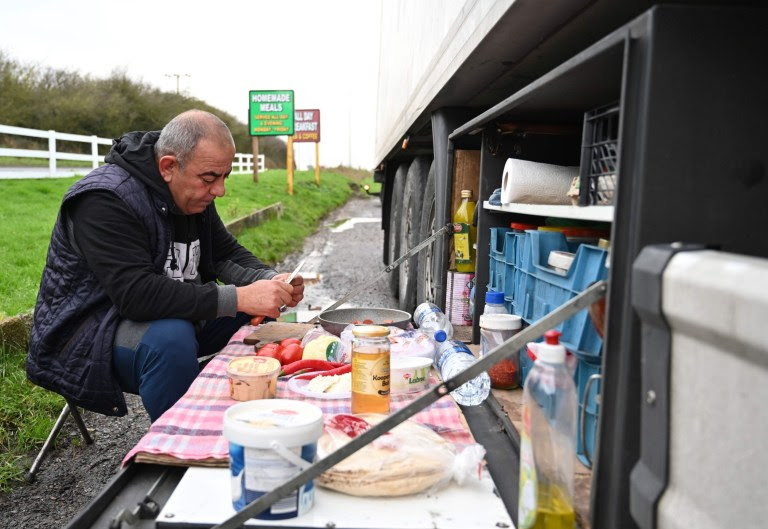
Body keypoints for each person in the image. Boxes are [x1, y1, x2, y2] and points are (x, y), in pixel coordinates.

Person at [26, 109, 304, 422]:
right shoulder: (104, 199)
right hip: (90, 333)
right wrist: (240, 296)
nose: (220, 190)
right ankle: (182, 446)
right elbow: (136, 295)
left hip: (170, 315)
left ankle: (248, 405)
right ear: (168, 166)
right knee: (172, 338)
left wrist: (270, 282)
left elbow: (223, 253)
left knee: (256, 306)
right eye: (210, 178)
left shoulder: (192, 193)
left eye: (224, 177)